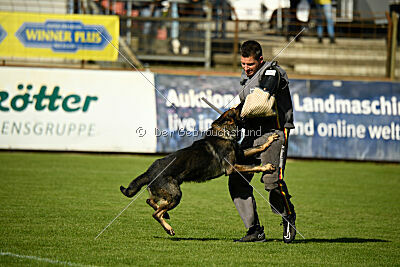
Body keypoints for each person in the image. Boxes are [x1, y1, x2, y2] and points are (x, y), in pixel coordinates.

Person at [229, 40, 297, 243]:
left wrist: (244, 110)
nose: (246, 68)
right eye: (242, 64)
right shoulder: (245, 79)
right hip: (251, 135)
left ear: (260, 59)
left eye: (250, 64)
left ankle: (288, 215)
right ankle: (254, 230)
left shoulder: (273, 72)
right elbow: (245, 108)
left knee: (272, 182)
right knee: (237, 179)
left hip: (273, 133)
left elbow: (263, 94)